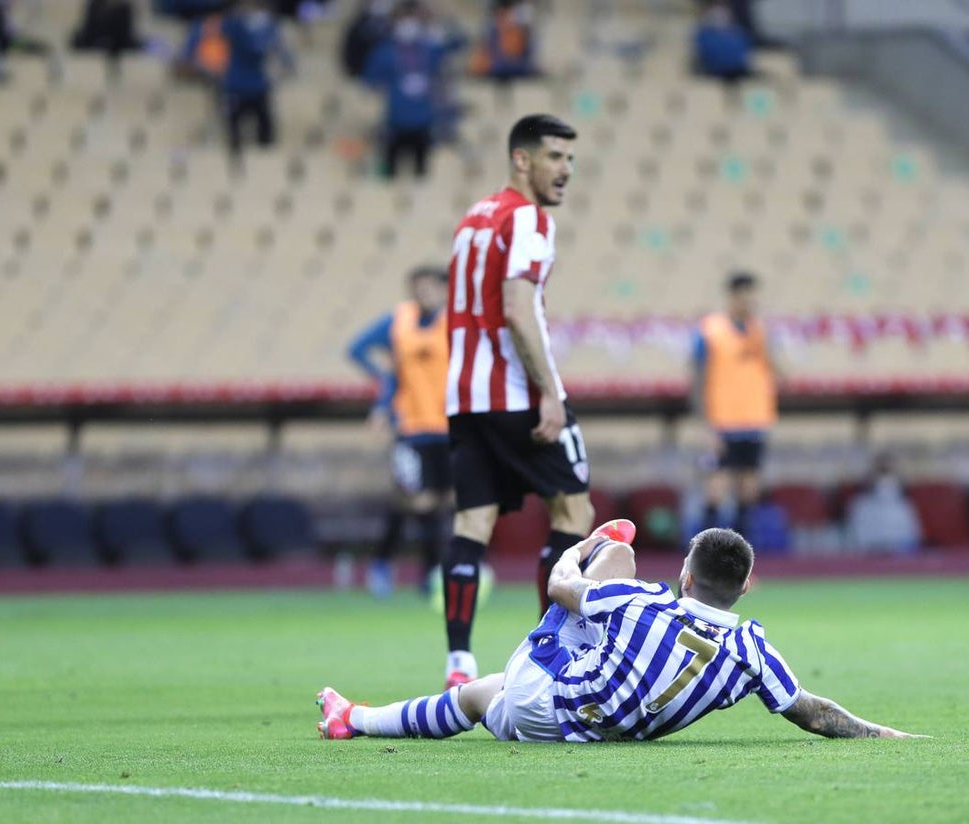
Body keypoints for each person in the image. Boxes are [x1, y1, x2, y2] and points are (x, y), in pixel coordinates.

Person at [316, 522, 921, 742]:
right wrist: (893, 734)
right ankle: (356, 721)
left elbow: (556, 588)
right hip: (588, 731)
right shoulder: (751, 650)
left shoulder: (643, 599)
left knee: (618, 559)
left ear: (684, 574)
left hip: (548, 699)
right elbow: (815, 714)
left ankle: (355, 721)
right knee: (481, 694)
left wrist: (586, 546)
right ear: (743, 588)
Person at [439, 113, 594, 690]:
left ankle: (460, 661)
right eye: (555, 157)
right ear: (521, 159)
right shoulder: (529, 218)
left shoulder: (473, 219)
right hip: (515, 391)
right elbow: (516, 307)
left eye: (571, 160)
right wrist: (550, 392)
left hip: (465, 395)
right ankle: (544, 658)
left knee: (473, 520)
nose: (566, 171)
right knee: (574, 513)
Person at [347, 266, 452, 599]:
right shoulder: (399, 321)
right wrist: (383, 398)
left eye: (430, 287)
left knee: (436, 501)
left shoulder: (457, 324)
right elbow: (358, 349)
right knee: (412, 499)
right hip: (410, 427)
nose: (423, 293)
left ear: (443, 289)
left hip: (448, 428)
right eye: (417, 287)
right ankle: (386, 565)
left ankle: (428, 573)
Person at [692, 272, 782, 539]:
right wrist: (707, 425)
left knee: (748, 492)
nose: (749, 302)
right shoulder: (710, 331)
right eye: (744, 296)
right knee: (716, 490)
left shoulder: (760, 333)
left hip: (754, 422)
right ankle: (704, 560)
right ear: (732, 297)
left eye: (753, 296)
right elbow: (698, 379)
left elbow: (778, 372)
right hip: (722, 424)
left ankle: (740, 565)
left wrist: (764, 345)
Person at [361, 0, 464, 179]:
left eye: (413, 18)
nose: (409, 24)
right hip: (395, 123)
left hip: (424, 123)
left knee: (422, 178)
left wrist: (442, 21)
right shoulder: (385, 51)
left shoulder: (430, 48)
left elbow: (460, 43)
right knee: (389, 177)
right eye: (404, 19)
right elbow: (369, 79)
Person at [219, 0, 294, 163]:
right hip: (236, 84)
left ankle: (265, 161)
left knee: (265, 127)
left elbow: (278, 48)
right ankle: (235, 160)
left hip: (258, 85)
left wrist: (287, 65)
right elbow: (226, 32)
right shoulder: (235, 23)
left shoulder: (268, 26)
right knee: (233, 128)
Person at [845, 453, 922, 554]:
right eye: (882, 463)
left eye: (887, 463)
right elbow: (865, 490)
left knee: (900, 511)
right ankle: (871, 543)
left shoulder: (898, 477)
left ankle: (896, 543)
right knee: (861, 507)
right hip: (874, 505)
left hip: (894, 505)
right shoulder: (870, 478)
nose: (885, 465)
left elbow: (903, 492)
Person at [693, 0, 753, 83]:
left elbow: (745, 53)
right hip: (713, 74)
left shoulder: (738, 32)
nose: (720, 14)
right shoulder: (704, 34)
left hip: (737, 72)